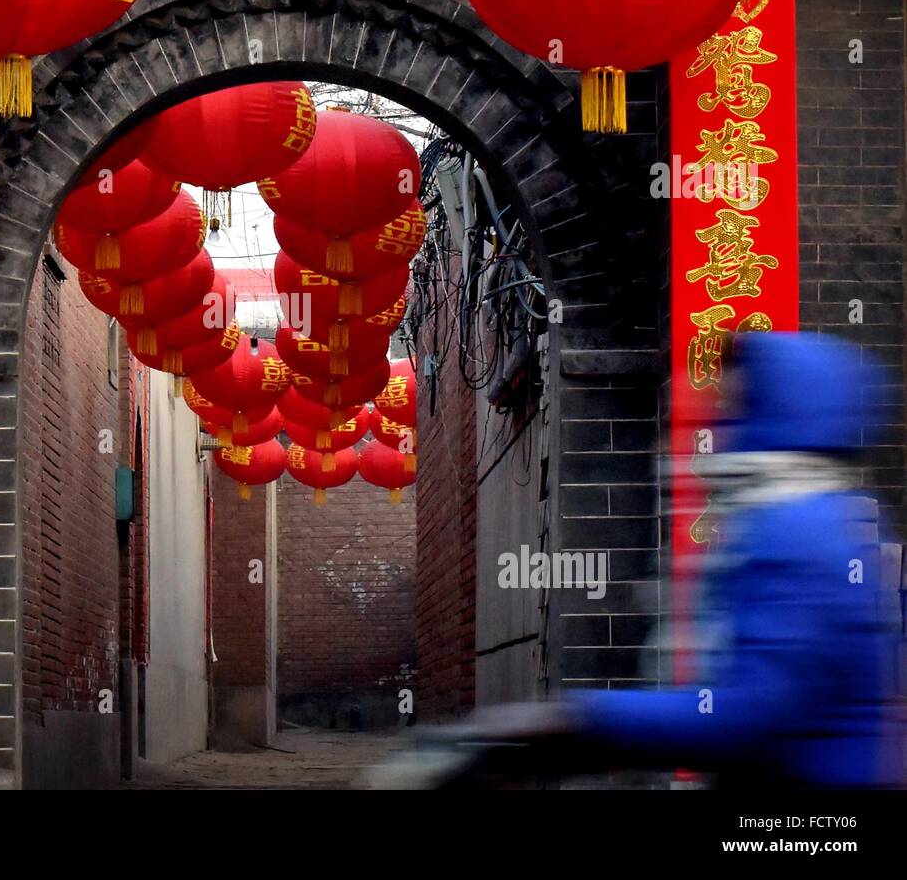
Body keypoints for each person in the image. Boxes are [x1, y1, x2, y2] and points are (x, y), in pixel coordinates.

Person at [375, 332, 904, 789]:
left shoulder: (799, 530)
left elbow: (752, 710)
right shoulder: (813, 515)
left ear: (780, 410)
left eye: (738, 402)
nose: (721, 418)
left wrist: (571, 722)